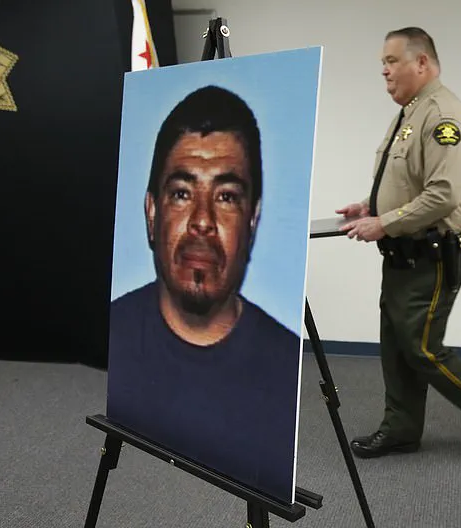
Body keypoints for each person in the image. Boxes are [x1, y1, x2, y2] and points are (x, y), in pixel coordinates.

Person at [336, 27, 461, 459]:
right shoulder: (410, 113)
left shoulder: (442, 116)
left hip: (432, 255)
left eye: (392, 61)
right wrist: (368, 206)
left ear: (421, 63)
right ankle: (401, 429)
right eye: (382, 63)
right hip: (403, 253)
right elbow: (409, 181)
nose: (384, 71)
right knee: (396, 343)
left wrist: (384, 222)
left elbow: (443, 195)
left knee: (421, 348)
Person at [107, 85, 301, 503]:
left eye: (226, 197)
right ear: (152, 212)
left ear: (253, 220)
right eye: (182, 193)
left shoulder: (289, 366)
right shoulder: (111, 338)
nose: (202, 221)